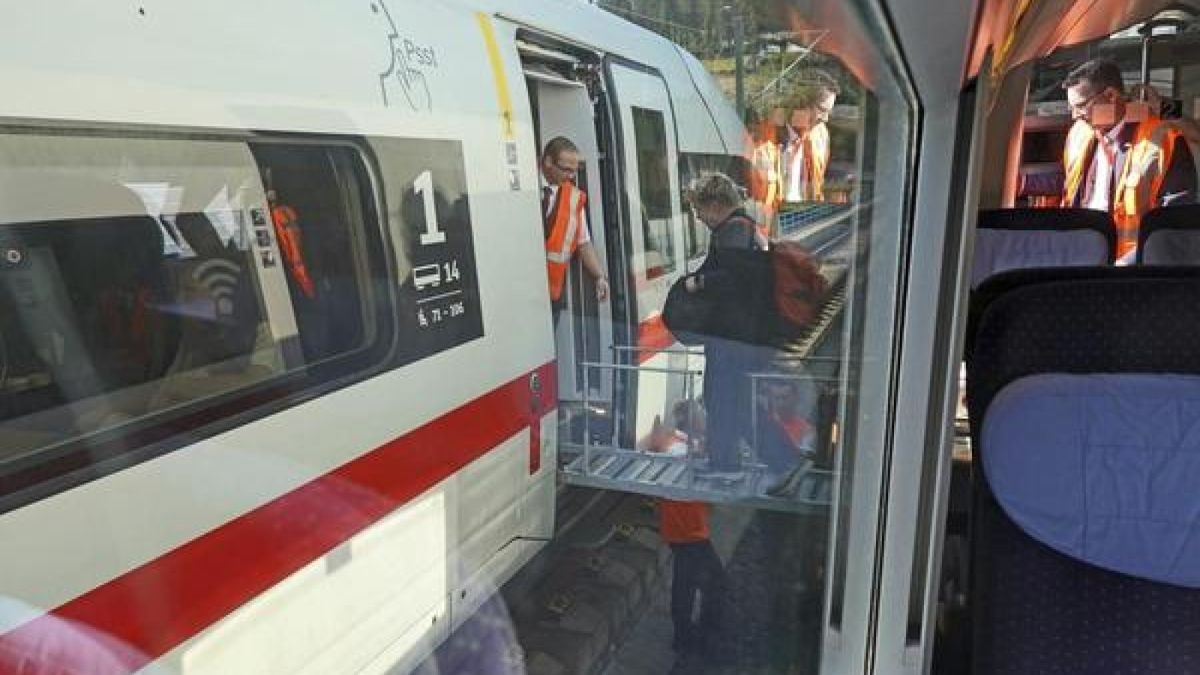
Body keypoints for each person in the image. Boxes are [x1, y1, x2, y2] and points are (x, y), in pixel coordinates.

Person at [1061, 58, 1197, 261]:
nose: (1074, 116)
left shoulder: (1161, 140)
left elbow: (1172, 223)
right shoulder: (1078, 136)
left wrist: (1129, 262)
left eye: (1080, 106)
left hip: (1136, 267)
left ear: (1110, 96)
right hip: (1079, 255)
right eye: (1071, 107)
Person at [684, 172, 765, 473]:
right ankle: (725, 459)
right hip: (737, 331)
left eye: (699, 209)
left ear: (716, 204)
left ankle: (725, 463)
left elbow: (734, 277)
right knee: (726, 396)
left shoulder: (733, 230)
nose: (698, 217)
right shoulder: (742, 227)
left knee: (722, 396)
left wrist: (699, 282)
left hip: (731, 334)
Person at [540, 137, 608, 320]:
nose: (571, 176)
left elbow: (583, 243)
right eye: (566, 169)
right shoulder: (522, 187)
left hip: (551, 294)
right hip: (520, 292)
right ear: (547, 161)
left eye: (574, 171)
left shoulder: (574, 198)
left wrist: (599, 276)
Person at [782, 71, 840, 203]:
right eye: (822, 110)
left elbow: (818, 185)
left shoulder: (821, 136)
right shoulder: (766, 139)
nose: (825, 119)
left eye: (829, 113)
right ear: (802, 102)